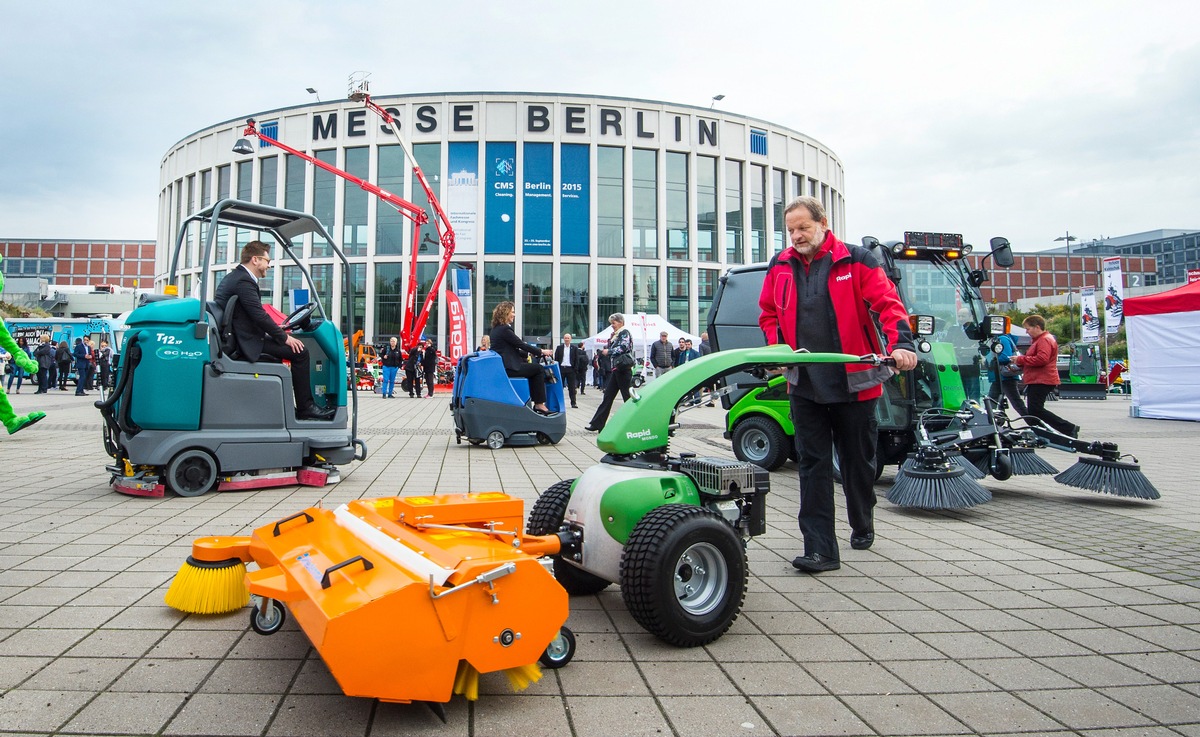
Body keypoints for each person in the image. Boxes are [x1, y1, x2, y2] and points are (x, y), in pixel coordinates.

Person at [758, 196, 917, 574]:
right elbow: (767, 313)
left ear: (823, 223)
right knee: (812, 464)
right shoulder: (780, 265)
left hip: (854, 382)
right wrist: (777, 349)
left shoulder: (857, 260)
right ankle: (820, 549)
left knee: (857, 462)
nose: (796, 235)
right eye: (791, 229)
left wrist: (902, 345)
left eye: (803, 228)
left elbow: (887, 304)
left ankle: (862, 520)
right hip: (805, 381)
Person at [213, 240, 334, 420]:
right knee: (300, 352)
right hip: (243, 343)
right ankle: (306, 407)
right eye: (267, 261)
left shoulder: (236, 277)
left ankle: (292, 407)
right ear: (255, 260)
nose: (269, 265)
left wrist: (276, 330)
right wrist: (284, 337)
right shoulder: (243, 281)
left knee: (288, 350)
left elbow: (249, 315)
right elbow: (258, 315)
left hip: (241, 337)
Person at [1013, 314, 1078, 437]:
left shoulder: (1044, 340)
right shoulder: (1042, 340)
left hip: (1042, 379)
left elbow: (1042, 359)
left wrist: (1021, 360)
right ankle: (1045, 431)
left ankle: (1067, 428)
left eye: (1028, 329)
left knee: (1035, 409)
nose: (1027, 332)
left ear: (1037, 327)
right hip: (1040, 379)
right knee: (1034, 409)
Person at [488, 302, 555, 414]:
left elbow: (510, 349)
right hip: (509, 367)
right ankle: (539, 404)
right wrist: (541, 351)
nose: (514, 315)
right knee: (538, 369)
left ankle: (534, 401)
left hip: (504, 366)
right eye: (512, 312)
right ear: (506, 313)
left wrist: (528, 354)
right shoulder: (505, 329)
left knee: (533, 369)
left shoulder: (496, 329)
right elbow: (521, 344)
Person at [585, 313, 635, 431]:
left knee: (627, 398)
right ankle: (598, 424)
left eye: (614, 323)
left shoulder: (624, 333)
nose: (612, 325)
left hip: (623, 370)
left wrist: (609, 351)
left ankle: (634, 422)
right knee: (607, 397)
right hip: (617, 370)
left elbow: (623, 347)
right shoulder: (616, 335)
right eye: (611, 323)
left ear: (621, 322)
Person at [987, 330, 1028, 416]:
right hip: (1001, 376)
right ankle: (992, 421)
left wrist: (992, 360)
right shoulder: (1003, 339)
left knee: (1016, 403)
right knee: (993, 401)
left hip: (1004, 376)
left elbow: (1006, 357)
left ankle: (1034, 422)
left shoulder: (1002, 339)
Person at [553, 333, 586, 409]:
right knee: (559, 387)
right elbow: (556, 359)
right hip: (561, 369)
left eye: (568, 338)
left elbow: (576, 359)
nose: (566, 339)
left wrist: (575, 369)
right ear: (563, 339)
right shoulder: (559, 348)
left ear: (570, 339)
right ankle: (558, 403)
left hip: (570, 369)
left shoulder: (574, 348)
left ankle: (573, 403)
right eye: (565, 338)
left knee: (572, 387)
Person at [675, 338, 701, 405]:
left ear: (691, 345)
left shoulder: (695, 353)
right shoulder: (683, 353)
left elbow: (698, 363)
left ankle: (697, 400)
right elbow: (680, 363)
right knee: (688, 387)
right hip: (685, 371)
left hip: (693, 371)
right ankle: (690, 401)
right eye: (686, 344)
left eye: (688, 344)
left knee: (695, 386)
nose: (687, 346)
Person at [698, 331, 716, 406]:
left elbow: (701, 357)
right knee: (712, 384)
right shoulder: (713, 345)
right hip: (713, 366)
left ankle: (699, 400)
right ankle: (713, 401)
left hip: (705, 367)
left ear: (702, 338)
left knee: (700, 384)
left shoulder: (701, 345)